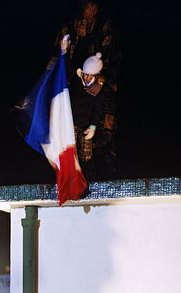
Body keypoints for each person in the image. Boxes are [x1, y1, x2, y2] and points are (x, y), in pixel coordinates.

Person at [60, 0, 120, 175]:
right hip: (75, 98)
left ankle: (101, 179)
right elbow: (63, 63)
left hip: (101, 91)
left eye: (94, 7)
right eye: (87, 6)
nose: (90, 10)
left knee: (101, 144)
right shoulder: (71, 24)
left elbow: (114, 60)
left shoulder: (105, 25)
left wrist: (101, 81)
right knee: (71, 149)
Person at [70, 53, 116, 180]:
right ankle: (72, 181)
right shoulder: (75, 83)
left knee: (86, 156)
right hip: (71, 124)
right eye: (85, 74)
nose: (87, 77)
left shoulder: (98, 89)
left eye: (90, 75)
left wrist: (93, 126)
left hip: (86, 126)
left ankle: (90, 181)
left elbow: (98, 109)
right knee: (71, 154)